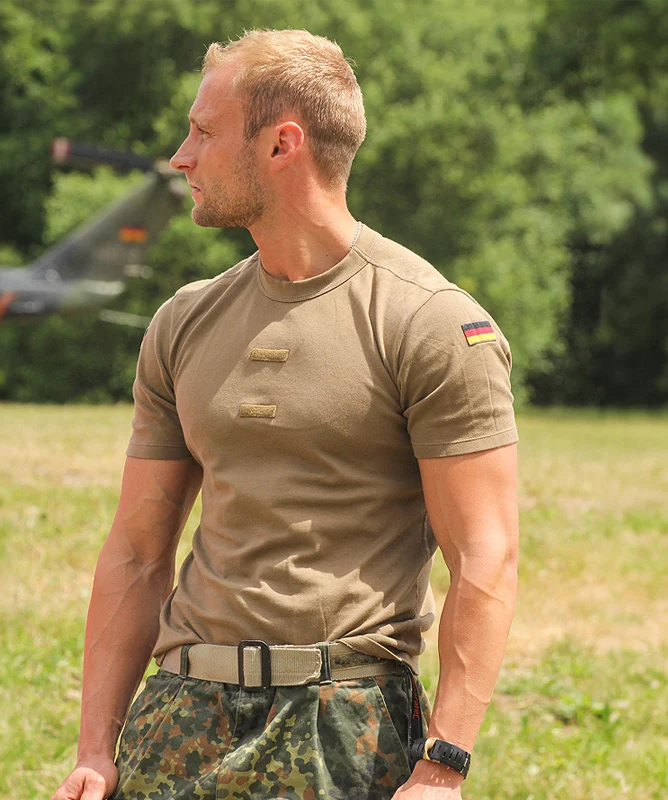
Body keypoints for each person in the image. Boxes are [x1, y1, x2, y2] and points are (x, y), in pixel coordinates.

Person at [52, 29, 519, 800]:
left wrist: (443, 767)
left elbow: (485, 558)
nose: (181, 156)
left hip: (346, 726)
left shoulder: (432, 323)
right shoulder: (183, 321)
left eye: (204, 132)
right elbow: (137, 552)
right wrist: (95, 749)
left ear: (281, 144)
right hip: (179, 720)